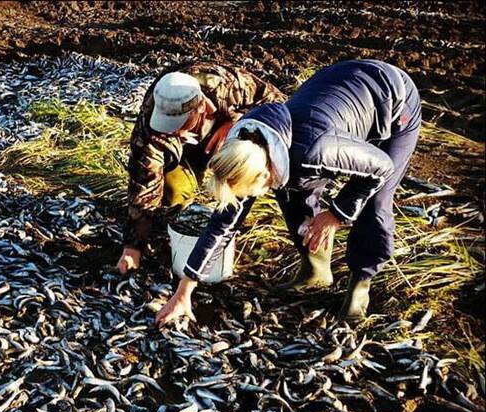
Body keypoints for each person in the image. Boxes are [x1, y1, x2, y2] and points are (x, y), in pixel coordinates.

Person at [156, 59, 422, 325]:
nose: (250, 198)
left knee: (374, 203)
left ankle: (360, 285)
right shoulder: (247, 144)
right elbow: (223, 224)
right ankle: (316, 270)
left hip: (392, 97)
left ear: (263, 174)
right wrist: (184, 291)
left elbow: (381, 167)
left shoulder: (317, 151)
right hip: (335, 86)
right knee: (292, 192)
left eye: (254, 190)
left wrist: (336, 215)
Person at [117, 62, 284, 274]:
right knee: (172, 193)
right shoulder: (151, 126)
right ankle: (186, 227)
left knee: (238, 181)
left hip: (232, 143)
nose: (173, 131)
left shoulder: (226, 86)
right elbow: (144, 182)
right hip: (187, 153)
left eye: (180, 123)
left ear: (201, 108)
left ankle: (229, 222)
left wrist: (238, 121)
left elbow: (277, 104)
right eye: (168, 126)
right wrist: (132, 247)